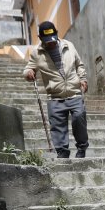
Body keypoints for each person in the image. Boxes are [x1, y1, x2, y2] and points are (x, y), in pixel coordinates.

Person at [23, 21, 88, 158]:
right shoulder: (37, 53)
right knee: (57, 126)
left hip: (74, 92)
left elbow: (79, 65)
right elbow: (28, 68)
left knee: (79, 117)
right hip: (55, 96)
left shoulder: (68, 45)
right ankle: (62, 152)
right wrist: (29, 73)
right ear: (40, 38)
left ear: (56, 34)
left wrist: (82, 79)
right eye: (47, 41)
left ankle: (82, 148)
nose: (51, 43)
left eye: (53, 39)